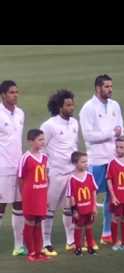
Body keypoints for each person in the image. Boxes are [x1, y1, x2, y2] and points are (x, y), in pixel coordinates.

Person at [79, 74, 124, 245]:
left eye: (111, 86)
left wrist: (119, 142)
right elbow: (88, 136)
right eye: (106, 86)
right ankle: (82, 235)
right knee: (89, 198)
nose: (109, 89)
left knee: (112, 198)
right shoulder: (88, 108)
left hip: (113, 159)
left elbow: (121, 129)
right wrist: (112, 133)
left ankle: (106, 233)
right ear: (98, 88)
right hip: (96, 159)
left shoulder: (115, 105)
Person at [40, 89, 84, 256]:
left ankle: (71, 241)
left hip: (71, 173)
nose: (71, 107)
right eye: (68, 105)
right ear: (60, 107)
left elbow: (74, 145)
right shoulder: (49, 125)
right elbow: (42, 149)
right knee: (49, 209)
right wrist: (44, 173)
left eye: (72, 104)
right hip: (55, 173)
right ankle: (46, 242)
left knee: (70, 209)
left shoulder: (74, 123)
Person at [0, 80, 26, 256]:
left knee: (19, 205)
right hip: (2, 168)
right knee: (1, 207)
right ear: (3, 95)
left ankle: (19, 246)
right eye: (11, 92)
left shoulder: (20, 114)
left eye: (16, 92)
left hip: (18, 168)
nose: (15, 95)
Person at [18, 129, 49, 262]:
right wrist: (24, 194)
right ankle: (31, 252)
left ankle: (38, 251)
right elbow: (20, 178)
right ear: (31, 141)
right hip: (30, 195)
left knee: (38, 222)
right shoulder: (26, 158)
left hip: (41, 194)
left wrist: (46, 193)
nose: (43, 142)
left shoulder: (45, 157)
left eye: (43, 139)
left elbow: (46, 176)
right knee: (30, 222)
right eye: (39, 139)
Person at [66, 151, 98, 256]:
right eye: (83, 162)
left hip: (89, 208)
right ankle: (78, 248)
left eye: (86, 161)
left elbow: (93, 191)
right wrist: (74, 210)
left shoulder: (89, 176)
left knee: (89, 227)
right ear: (75, 163)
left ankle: (90, 248)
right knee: (78, 227)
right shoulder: (72, 178)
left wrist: (94, 206)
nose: (85, 164)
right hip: (79, 210)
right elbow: (71, 196)